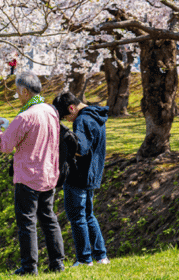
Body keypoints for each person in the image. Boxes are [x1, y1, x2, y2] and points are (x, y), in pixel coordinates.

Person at [0, 72, 65, 275]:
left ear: (25, 91)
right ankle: (57, 263)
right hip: (48, 173)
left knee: (27, 222)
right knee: (49, 218)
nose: (17, 95)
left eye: (17, 91)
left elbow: (6, 145)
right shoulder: (50, 110)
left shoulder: (25, 116)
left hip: (28, 175)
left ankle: (29, 266)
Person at [51, 92, 110, 267]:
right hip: (92, 174)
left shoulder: (82, 120)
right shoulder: (96, 115)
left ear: (71, 108)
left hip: (78, 175)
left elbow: (81, 149)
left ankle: (84, 259)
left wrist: (64, 134)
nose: (67, 120)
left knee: (77, 217)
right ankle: (101, 256)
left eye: (65, 117)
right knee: (89, 215)